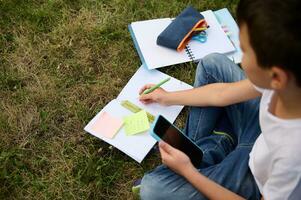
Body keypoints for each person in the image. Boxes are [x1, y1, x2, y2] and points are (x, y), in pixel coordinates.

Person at [134, 0, 301, 199]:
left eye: (245, 51)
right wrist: (168, 97)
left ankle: (208, 153)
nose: (241, 56)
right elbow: (221, 94)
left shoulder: (292, 158)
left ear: (276, 77)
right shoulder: (287, 82)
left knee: (153, 188)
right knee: (212, 65)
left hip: (256, 181)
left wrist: (189, 172)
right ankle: (208, 151)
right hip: (259, 138)